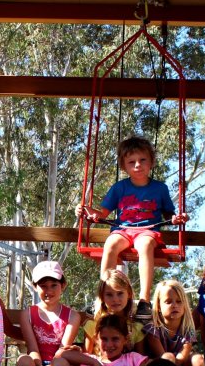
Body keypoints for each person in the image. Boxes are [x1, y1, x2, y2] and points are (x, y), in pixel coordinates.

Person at [78, 136, 188, 319]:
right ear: (124, 166)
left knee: (145, 245)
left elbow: (169, 213)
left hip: (148, 231)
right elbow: (102, 213)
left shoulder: (160, 188)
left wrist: (175, 219)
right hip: (123, 230)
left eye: (142, 160)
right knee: (110, 243)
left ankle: (144, 301)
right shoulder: (119, 188)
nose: (138, 165)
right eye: (132, 162)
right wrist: (88, 211)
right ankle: (102, 297)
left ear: (151, 162)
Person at [14, 260, 80, 366]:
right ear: (35, 287)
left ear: (63, 285)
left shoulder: (72, 316)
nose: (49, 291)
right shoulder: (27, 314)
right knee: (23, 361)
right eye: (43, 286)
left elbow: (62, 349)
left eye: (53, 285)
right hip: (36, 364)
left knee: (60, 363)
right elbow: (32, 347)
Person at [144, 279, 204, 366]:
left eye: (179, 301)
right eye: (168, 302)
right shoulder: (153, 329)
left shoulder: (187, 329)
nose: (174, 305)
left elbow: (183, 356)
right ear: (158, 306)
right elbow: (163, 359)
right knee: (168, 356)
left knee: (198, 359)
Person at [82, 270, 147, 356]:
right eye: (109, 294)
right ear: (102, 296)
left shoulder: (136, 328)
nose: (115, 299)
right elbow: (86, 357)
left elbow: (141, 360)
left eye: (120, 293)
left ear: (129, 294)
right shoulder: (92, 326)